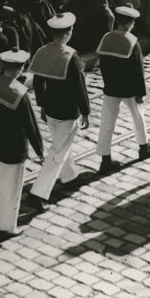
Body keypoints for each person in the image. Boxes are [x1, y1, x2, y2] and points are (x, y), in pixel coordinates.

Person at [0, 49, 44, 236]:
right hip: (14, 146)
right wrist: (40, 150)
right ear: (20, 68)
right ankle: (6, 227)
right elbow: (30, 126)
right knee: (12, 187)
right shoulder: (20, 93)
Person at [27, 13, 91, 212]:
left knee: (60, 145)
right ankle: (37, 194)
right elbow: (79, 87)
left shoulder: (42, 52)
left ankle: (70, 177)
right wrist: (86, 111)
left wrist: (42, 105)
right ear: (68, 33)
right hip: (67, 110)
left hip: (50, 109)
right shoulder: (70, 56)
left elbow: (38, 82)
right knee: (57, 152)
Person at [95, 5, 150, 175]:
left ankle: (105, 159)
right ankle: (144, 147)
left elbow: (103, 65)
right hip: (129, 89)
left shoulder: (106, 38)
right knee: (138, 116)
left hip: (111, 88)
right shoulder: (132, 41)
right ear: (130, 23)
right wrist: (141, 92)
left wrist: (108, 84)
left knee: (107, 122)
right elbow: (138, 70)